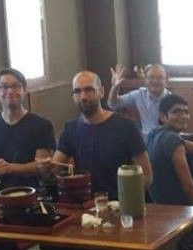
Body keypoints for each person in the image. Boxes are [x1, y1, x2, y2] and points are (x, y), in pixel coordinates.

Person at [52, 70, 152, 199]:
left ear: (101, 92)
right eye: (77, 91)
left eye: (89, 90)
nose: (83, 96)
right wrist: (45, 167)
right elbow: (54, 168)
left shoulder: (126, 126)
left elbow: (147, 176)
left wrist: (125, 202)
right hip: (88, 208)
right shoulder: (71, 128)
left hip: (124, 206)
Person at [108, 63, 172, 139]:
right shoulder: (139, 95)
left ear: (166, 81)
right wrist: (115, 87)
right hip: (145, 139)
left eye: (160, 78)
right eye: (151, 77)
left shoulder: (172, 99)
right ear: (145, 80)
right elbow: (113, 104)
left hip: (166, 139)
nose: (155, 81)